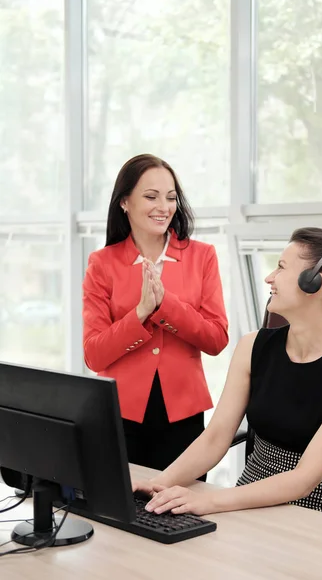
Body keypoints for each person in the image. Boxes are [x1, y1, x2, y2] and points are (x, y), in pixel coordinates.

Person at [132, 227, 322, 517]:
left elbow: (303, 480)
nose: (269, 277)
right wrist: (156, 484)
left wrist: (208, 502)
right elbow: (215, 438)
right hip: (244, 502)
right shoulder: (252, 346)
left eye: (281, 267)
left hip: (313, 512)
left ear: (313, 282)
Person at [82, 154, 228, 473]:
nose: (163, 206)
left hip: (184, 415)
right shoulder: (101, 264)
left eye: (171, 197)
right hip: (119, 413)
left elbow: (216, 339)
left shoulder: (202, 256)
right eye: (151, 196)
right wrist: (140, 314)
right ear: (124, 202)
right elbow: (94, 355)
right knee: (120, 513)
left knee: (182, 514)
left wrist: (166, 307)